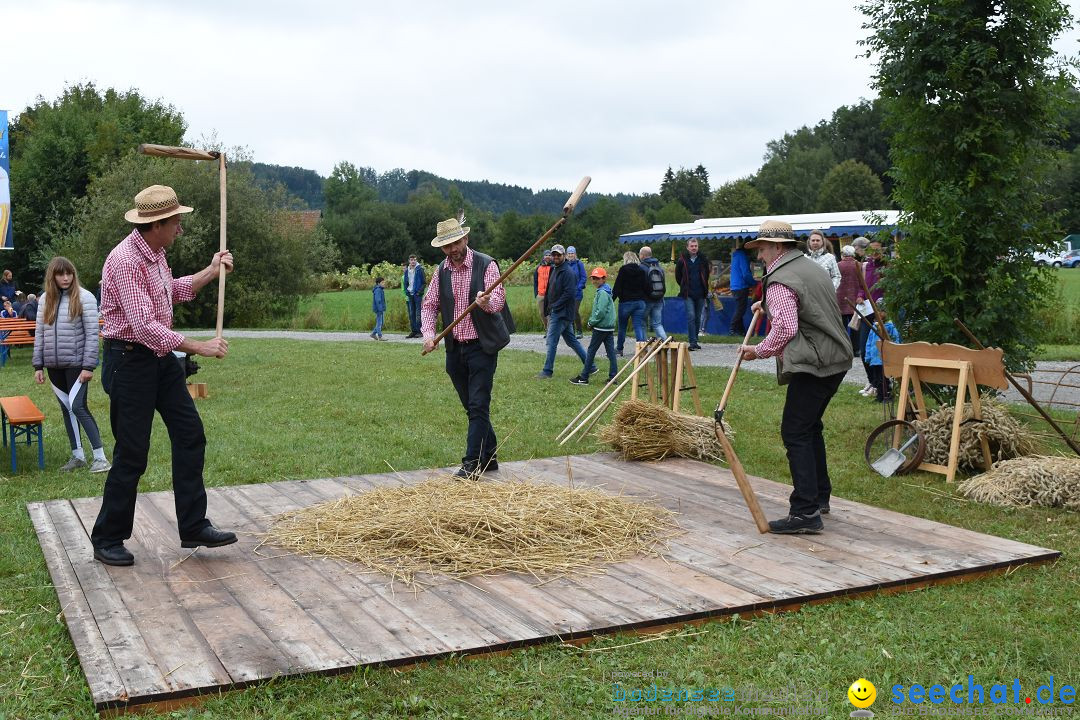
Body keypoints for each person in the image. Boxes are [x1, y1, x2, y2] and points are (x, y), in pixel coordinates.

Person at [90, 185, 236, 567]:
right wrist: (199, 346)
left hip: (159, 362)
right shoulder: (124, 260)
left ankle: (194, 526)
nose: (180, 229)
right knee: (132, 453)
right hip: (129, 362)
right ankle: (107, 537)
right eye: (176, 223)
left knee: (190, 434)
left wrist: (210, 270)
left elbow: (170, 291)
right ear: (155, 224)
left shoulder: (156, 254)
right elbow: (142, 325)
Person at [738, 220, 853, 535]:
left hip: (816, 363)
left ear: (778, 247)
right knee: (810, 427)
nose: (759, 255)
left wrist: (758, 350)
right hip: (836, 359)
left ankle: (805, 511)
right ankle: (819, 497)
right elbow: (807, 306)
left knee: (795, 430)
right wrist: (770, 305)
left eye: (761, 248)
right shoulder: (810, 267)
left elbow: (787, 328)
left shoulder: (781, 280)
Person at [421, 215, 511, 478]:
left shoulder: (486, 265)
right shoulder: (442, 271)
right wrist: (429, 334)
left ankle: (472, 464)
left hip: (482, 347)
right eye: (447, 247)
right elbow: (429, 305)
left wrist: (485, 301)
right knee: (471, 406)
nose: (452, 250)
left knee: (479, 404)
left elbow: (498, 301)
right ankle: (490, 455)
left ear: (465, 239)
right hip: (454, 349)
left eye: (456, 243)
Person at [32, 257, 111, 474]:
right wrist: (38, 365)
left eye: (69, 273)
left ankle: (100, 458)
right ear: (53, 276)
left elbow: (93, 335)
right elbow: (40, 334)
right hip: (53, 366)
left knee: (78, 407)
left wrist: (88, 366)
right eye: (60, 274)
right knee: (67, 409)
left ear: (73, 274)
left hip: (77, 365)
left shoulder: (85, 297)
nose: (65, 278)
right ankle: (78, 456)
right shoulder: (44, 300)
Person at [538, 244, 591, 379]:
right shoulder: (555, 269)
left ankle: (547, 371)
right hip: (560, 311)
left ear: (564, 256)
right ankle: (591, 366)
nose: (555, 257)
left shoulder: (568, 272)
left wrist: (555, 305)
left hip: (561, 312)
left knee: (551, 340)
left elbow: (569, 293)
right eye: (554, 254)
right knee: (571, 341)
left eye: (558, 255)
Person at [570, 267, 617, 385]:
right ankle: (613, 378)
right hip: (608, 327)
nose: (595, 281)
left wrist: (591, 322)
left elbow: (600, 311)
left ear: (604, 279)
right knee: (611, 353)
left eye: (597, 278)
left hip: (601, 327)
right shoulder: (607, 291)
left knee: (591, 351)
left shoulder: (602, 293)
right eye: (593, 278)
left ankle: (584, 377)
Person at [612, 250, 648, 356]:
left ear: (625, 259)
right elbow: (646, 286)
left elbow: (617, 287)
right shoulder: (641, 270)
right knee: (638, 326)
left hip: (626, 302)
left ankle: (619, 349)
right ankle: (641, 348)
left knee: (622, 327)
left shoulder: (623, 270)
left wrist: (611, 300)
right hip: (640, 302)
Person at [675, 239, 709, 350]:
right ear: (687, 247)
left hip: (700, 292)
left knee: (698, 317)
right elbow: (678, 276)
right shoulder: (682, 260)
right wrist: (684, 286)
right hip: (688, 293)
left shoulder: (703, 259)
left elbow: (706, 274)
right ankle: (692, 341)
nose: (694, 248)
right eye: (692, 246)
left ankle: (695, 340)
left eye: (696, 246)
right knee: (691, 316)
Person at [864, 308, 901, 403]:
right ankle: (880, 396)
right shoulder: (874, 327)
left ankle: (887, 396)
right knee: (877, 379)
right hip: (875, 359)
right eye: (878, 311)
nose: (880, 314)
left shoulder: (890, 327)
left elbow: (895, 340)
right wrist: (868, 356)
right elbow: (869, 342)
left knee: (884, 378)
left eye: (882, 311)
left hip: (884, 358)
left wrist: (894, 354)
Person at [638, 246, 668, 340]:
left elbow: (640, 285)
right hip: (659, 299)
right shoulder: (659, 267)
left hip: (646, 300)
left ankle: (643, 347)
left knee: (642, 323)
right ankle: (665, 344)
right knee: (657, 324)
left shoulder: (641, 267)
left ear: (642, 255)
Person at [836, 245, 861, 353]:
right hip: (855, 299)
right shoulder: (858, 265)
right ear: (853, 254)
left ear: (843, 254)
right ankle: (856, 349)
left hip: (840, 299)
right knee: (855, 325)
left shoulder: (838, 265)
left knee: (842, 326)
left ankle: (844, 349)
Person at [728, 240, 756, 335]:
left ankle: (741, 331)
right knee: (740, 310)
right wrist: (754, 283)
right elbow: (746, 274)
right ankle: (732, 328)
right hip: (741, 286)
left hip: (734, 286)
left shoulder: (736, 256)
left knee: (740, 309)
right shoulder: (742, 256)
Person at [565, 246, 588, 338]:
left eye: (572, 253)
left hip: (577, 293)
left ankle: (579, 331)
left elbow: (583, 277)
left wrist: (578, 287)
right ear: (566, 254)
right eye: (569, 253)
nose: (570, 255)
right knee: (568, 312)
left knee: (574, 311)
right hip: (567, 293)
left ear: (575, 254)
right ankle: (571, 332)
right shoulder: (565, 264)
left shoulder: (579, 264)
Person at [402, 255, 426, 338]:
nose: (413, 261)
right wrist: (406, 291)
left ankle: (420, 331)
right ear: (409, 261)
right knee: (411, 313)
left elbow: (424, 283)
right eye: (411, 260)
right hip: (410, 294)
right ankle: (414, 331)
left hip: (417, 295)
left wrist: (419, 292)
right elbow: (405, 282)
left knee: (418, 314)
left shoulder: (420, 269)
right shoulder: (407, 271)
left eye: (414, 260)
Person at [533, 250, 553, 330]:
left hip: (550, 294)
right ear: (543, 257)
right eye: (546, 255)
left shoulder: (553, 267)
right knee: (542, 313)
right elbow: (535, 281)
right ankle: (546, 328)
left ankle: (549, 330)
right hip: (540, 294)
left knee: (549, 314)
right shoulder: (538, 268)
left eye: (549, 255)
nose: (547, 256)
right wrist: (536, 293)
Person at [370, 276, 386, 340]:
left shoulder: (380, 289)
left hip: (380, 308)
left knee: (380, 322)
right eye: (382, 282)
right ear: (378, 283)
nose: (384, 283)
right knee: (379, 323)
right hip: (379, 309)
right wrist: (380, 309)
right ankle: (380, 336)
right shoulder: (378, 290)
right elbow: (378, 300)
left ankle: (373, 334)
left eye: (384, 282)